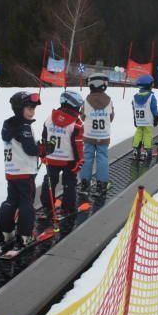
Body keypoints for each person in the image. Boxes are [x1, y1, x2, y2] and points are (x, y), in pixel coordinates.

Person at [0, 91, 46, 253]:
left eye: (33, 108)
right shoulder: (24, 127)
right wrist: (43, 149)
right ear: (18, 108)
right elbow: (30, 149)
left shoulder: (8, 125)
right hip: (25, 173)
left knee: (11, 201)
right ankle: (24, 235)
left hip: (12, 172)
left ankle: (6, 232)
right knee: (26, 204)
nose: (32, 111)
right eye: (28, 108)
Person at [41, 90, 85, 219]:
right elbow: (78, 144)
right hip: (68, 159)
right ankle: (68, 208)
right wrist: (79, 161)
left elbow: (44, 137)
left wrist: (43, 154)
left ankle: (47, 206)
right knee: (69, 183)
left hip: (52, 157)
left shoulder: (49, 118)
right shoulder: (76, 123)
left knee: (49, 182)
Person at [79, 73, 115, 202]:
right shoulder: (109, 100)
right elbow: (111, 117)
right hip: (103, 136)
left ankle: (84, 183)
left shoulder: (86, 100)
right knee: (102, 158)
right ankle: (101, 184)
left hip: (89, 135)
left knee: (87, 158)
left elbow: (82, 117)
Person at [131, 74, 158, 160]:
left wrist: (135, 120)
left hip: (139, 120)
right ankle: (148, 150)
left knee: (138, 133)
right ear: (149, 85)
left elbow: (134, 109)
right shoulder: (151, 97)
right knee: (148, 134)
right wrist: (156, 118)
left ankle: (136, 149)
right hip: (148, 120)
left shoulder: (134, 97)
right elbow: (154, 109)